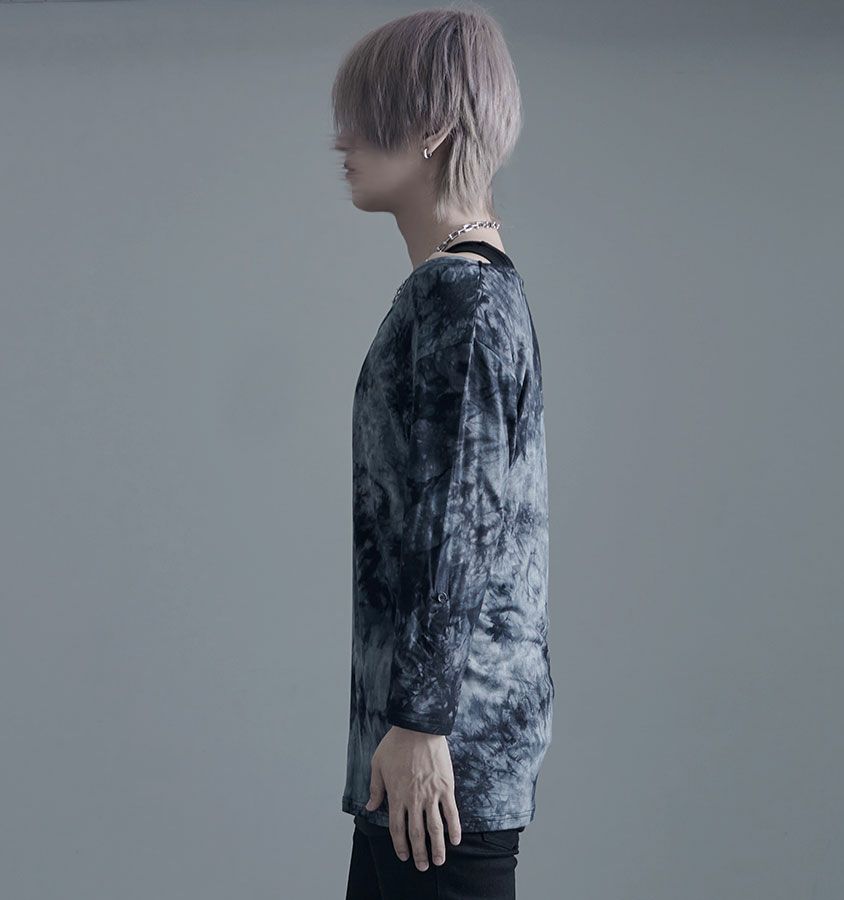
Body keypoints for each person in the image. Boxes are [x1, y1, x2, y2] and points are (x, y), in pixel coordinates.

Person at [330, 6, 554, 898]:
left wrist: (422, 725)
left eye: (366, 116)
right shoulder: (455, 290)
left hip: (441, 765)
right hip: (414, 754)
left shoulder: (463, 297)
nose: (341, 139)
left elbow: (461, 520)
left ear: (431, 130)